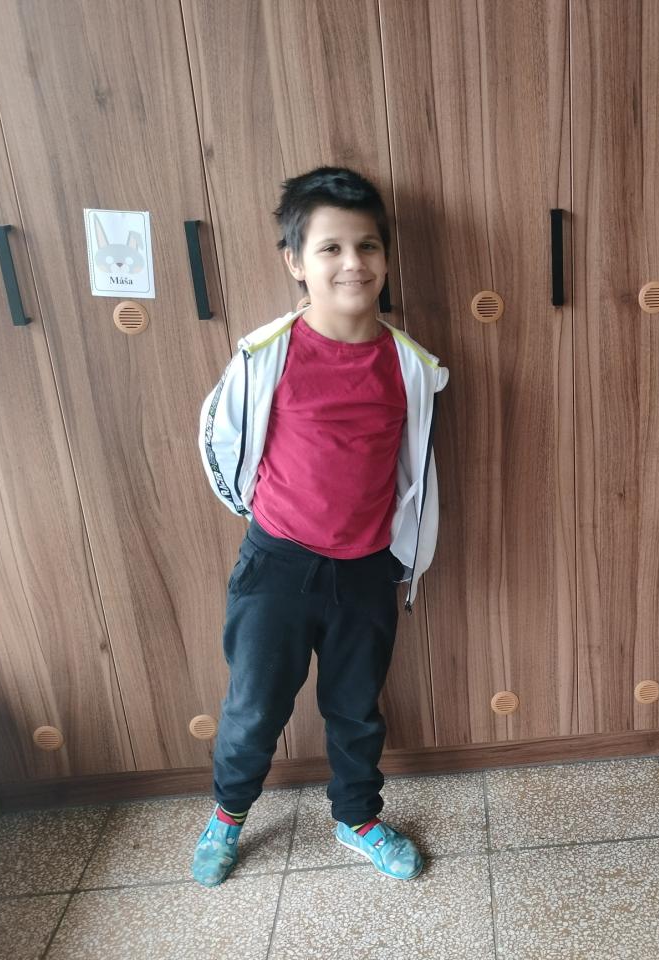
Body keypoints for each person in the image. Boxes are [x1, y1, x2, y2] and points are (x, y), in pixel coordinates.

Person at [192, 166, 447, 885]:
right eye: (330, 248)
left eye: (367, 246)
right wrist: (262, 518)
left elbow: (412, 467)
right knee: (254, 708)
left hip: (366, 570)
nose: (352, 263)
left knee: (355, 709)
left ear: (386, 259)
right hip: (277, 566)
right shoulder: (265, 354)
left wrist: (403, 553)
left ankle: (357, 817)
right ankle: (227, 815)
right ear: (296, 262)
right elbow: (220, 440)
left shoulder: (410, 364)